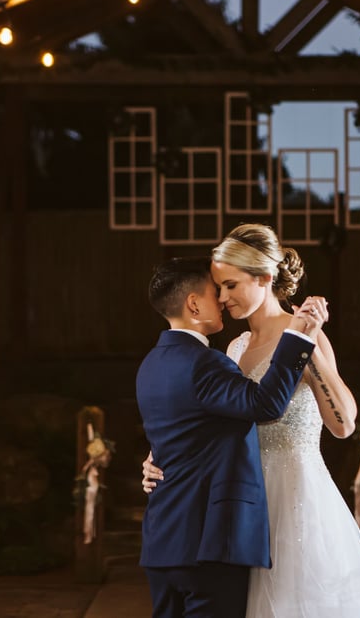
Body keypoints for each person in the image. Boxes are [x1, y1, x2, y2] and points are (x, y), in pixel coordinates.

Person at [144, 225, 360, 617]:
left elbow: (344, 425)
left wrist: (307, 344)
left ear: (264, 277)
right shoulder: (235, 346)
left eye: (230, 285)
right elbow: (211, 416)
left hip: (294, 499)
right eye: (218, 287)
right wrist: (160, 455)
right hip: (237, 506)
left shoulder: (304, 335)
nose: (222, 297)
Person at [137, 255, 329, 618]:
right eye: (215, 292)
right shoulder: (204, 362)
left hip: (163, 541)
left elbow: (184, 431)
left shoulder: (150, 364)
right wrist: (298, 337)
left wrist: (151, 460)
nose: (223, 300)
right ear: (194, 304)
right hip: (208, 544)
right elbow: (265, 404)